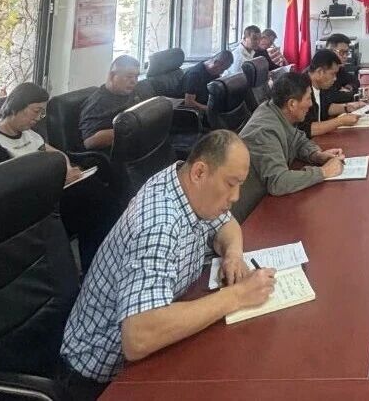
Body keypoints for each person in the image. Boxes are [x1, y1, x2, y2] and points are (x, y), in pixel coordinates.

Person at [57, 131, 276, 400]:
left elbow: (227, 223)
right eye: (231, 184)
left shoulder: (186, 186)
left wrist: (233, 254)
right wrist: (238, 296)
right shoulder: (159, 223)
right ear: (199, 172)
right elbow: (138, 337)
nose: (235, 196)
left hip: (151, 353)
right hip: (100, 379)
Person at [0, 83, 125, 272]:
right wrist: (57, 179)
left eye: (42, 113)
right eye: (35, 111)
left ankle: (103, 264)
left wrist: (67, 169)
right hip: (34, 203)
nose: (38, 118)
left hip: (55, 191)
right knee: (98, 206)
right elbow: (12, 188)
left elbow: (58, 154)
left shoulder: (28, 133)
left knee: (101, 198)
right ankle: (98, 268)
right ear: (16, 106)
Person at [238, 72, 346, 202]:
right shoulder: (264, 132)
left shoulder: (277, 111)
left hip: (267, 199)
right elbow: (278, 182)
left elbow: (298, 140)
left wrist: (316, 155)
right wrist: (324, 172)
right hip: (253, 207)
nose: (311, 104)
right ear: (292, 104)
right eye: (308, 98)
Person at [300, 49, 365, 137]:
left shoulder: (320, 85)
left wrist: (347, 107)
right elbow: (306, 129)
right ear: (320, 72)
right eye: (333, 74)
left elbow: (325, 108)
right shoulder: (302, 89)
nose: (335, 78)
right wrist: (340, 121)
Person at [80, 55, 140, 150]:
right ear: (112, 76)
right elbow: (89, 141)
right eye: (129, 76)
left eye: (136, 77)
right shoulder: (97, 103)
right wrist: (129, 129)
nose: (134, 81)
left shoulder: (131, 92)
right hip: (115, 153)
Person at [323, 33, 366, 103]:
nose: (345, 56)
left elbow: (355, 81)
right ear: (330, 51)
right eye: (342, 52)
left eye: (347, 52)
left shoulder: (339, 69)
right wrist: (346, 94)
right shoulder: (323, 71)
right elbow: (333, 98)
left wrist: (348, 88)